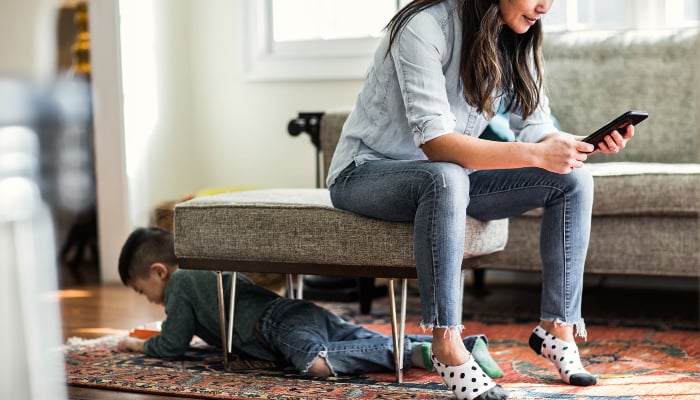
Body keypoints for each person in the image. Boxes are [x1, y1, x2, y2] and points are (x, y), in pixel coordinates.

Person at [326, 0, 634, 398]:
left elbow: (536, 127)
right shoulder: (423, 27)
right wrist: (537, 154)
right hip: (365, 173)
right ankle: (447, 344)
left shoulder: (517, 35)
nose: (546, 5)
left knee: (573, 180)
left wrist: (577, 146)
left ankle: (556, 329)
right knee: (446, 176)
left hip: (449, 180)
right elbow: (437, 145)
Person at [116, 227, 504, 380]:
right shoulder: (208, 272)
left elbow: (173, 342)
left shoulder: (181, 284)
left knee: (317, 363)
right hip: (295, 312)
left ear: (158, 272)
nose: (147, 299)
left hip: (275, 328)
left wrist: (139, 344)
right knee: (357, 338)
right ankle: (457, 348)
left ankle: (428, 354)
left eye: (140, 290)